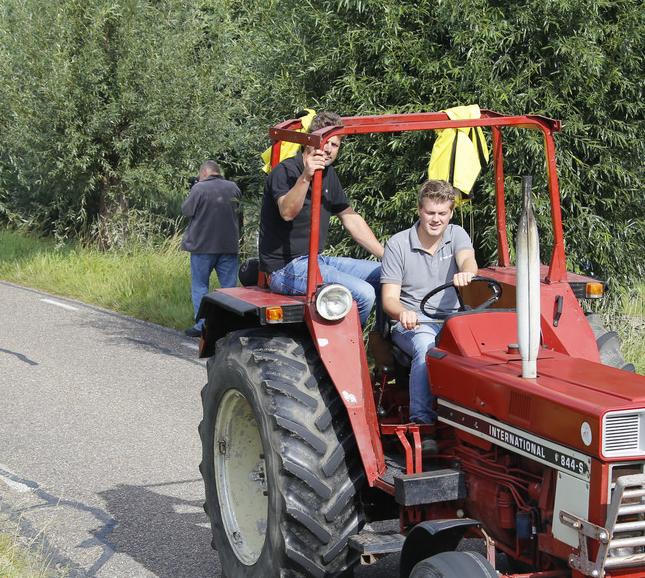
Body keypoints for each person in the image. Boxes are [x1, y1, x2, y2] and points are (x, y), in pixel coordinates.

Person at [259, 111, 384, 325]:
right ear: (310, 141)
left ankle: (381, 343)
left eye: (335, 145)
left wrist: (387, 257)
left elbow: (350, 218)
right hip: (284, 268)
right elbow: (287, 212)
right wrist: (306, 176)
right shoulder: (284, 171)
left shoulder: (329, 174)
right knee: (363, 294)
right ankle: (349, 346)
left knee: (387, 276)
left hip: (316, 260)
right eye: (324, 143)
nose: (328, 149)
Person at [380, 179, 477, 426]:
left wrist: (467, 272)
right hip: (414, 323)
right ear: (419, 210)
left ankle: (476, 418)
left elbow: (468, 259)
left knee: (482, 347)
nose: (436, 219)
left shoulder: (456, 234)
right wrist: (403, 313)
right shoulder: (398, 244)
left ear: (451, 213)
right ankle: (422, 419)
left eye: (442, 213)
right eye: (430, 212)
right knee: (426, 344)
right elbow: (389, 300)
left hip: (451, 321)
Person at [181, 161, 242, 338]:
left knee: (200, 286)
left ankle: (202, 326)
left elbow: (186, 210)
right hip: (228, 246)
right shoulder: (233, 187)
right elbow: (237, 208)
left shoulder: (199, 188)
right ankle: (230, 325)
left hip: (203, 246)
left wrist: (195, 187)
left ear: (203, 172)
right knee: (230, 288)